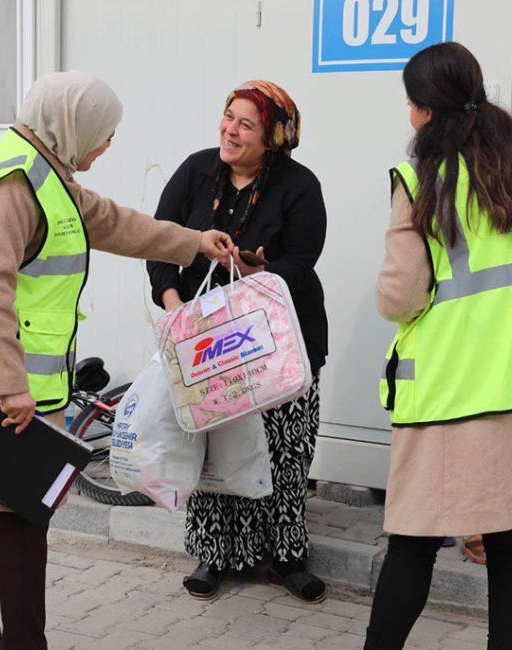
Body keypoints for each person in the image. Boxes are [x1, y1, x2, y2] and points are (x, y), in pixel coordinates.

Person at [0, 71, 233, 650]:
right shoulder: (14, 185)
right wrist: (9, 387)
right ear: (72, 125)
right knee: (20, 525)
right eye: (105, 133)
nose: (107, 145)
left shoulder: (44, 170)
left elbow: (110, 221)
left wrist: (191, 241)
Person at [363, 42, 512, 650]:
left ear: (422, 111)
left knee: (412, 543)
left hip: (454, 390)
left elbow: (400, 296)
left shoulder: (424, 180)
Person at [147, 80, 330, 603]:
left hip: (278, 340)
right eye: (229, 116)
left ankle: (287, 557)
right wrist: (173, 305)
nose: (231, 129)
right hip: (206, 342)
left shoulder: (299, 186)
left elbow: (302, 260)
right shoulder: (196, 171)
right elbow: (161, 241)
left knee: (282, 451)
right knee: (211, 443)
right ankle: (213, 553)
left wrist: (261, 269)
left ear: (272, 136)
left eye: (246, 123)